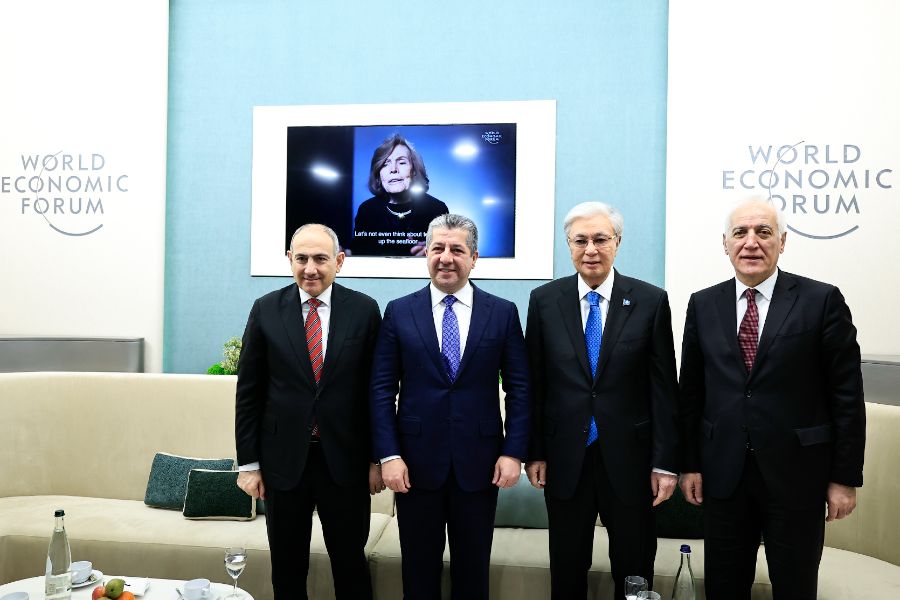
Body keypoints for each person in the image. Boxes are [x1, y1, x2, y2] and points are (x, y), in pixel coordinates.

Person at [678, 197, 866, 599]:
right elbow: (691, 392)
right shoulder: (703, 303)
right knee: (724, 588)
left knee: (795, 587)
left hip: (798, 475)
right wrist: (689, 464)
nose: (751, 242)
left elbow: (847, 396)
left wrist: (844, 478)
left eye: (763, 232)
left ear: (782, 242)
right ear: (725, 243)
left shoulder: (821, 300)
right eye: (740, 233)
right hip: (724, 474)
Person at [370, 213, 530, 599]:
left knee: (472, 575)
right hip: (413, 466)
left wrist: (513, 452)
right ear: (425, 253)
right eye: (437, 248)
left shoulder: (503, 312)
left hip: (480, 465)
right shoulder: (399, 311)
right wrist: (389, 455)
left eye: (456, 249)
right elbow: (381, 390)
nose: (445, 257)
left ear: (474, 258)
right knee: (418, 574)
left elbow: (521, 389)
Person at [524, 201, 680, 599]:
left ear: (617, 242)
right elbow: (535, 384)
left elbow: (664, 390)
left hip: (631, 460)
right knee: (567, 568)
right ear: (568, 245)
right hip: (565, 458)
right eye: (580, 241)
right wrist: (535, 451)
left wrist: (665, 462)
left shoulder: (650, 301)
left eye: (600, 239)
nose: (590, 249)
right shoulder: (544, 300)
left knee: (634, 570)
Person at [235, 223, 384, 600]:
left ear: (339, 261)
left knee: (351, 566)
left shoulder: (364, 310)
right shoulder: (266, 309)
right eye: (301, 258)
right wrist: (249, 464)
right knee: (287, 570)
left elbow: (376, 392)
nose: (310, 268)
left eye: (320, 258)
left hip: (345, 463)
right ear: (289, 259)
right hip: (283, 463)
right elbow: (249, 392)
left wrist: (377, 458)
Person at [352, 134, 449, 256]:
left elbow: (447, 250)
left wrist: (435, 251)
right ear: (378, 175)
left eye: (402, 162)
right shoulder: (367, 210)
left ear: (414, 171)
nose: (393, 169)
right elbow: (357, 252)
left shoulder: (437, 209)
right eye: (385, 164)